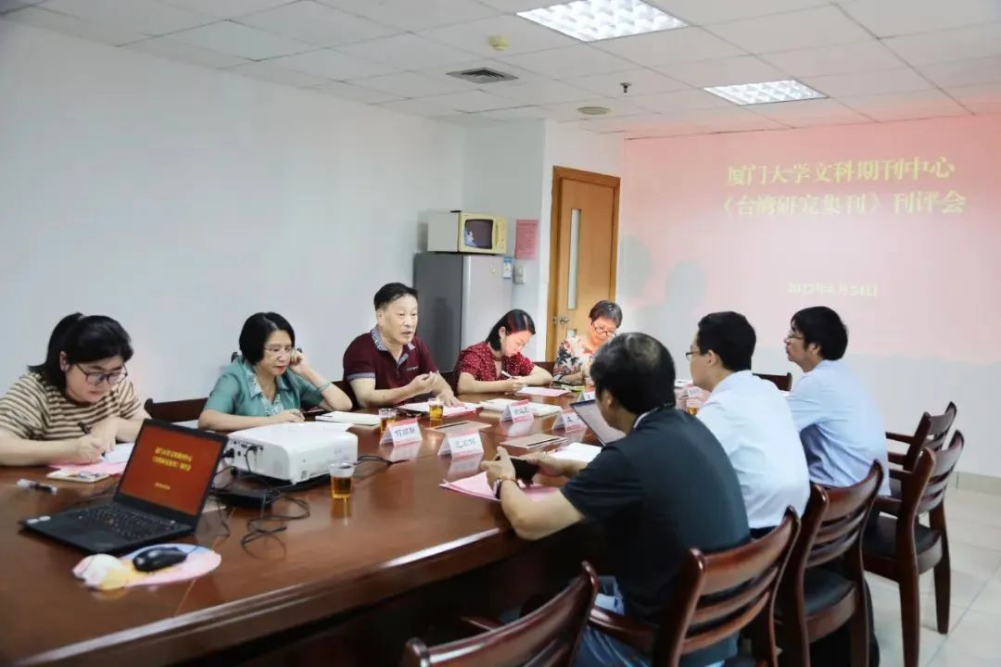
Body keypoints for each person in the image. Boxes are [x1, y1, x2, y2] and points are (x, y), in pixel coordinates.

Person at [482, 333, 749, 667]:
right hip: (715, 635)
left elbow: (528, 523)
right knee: (563, 587)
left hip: (660, 649)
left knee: (519, 627)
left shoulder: (629, 456)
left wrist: (505, 479)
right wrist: (570, 468)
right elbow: (644, 479)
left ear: (607, 398)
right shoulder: (689, 427)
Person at [688, 312, 809, 533]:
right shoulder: (769, 389)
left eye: (692, 353)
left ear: (710, 357)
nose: (691, 361)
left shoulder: (722, 406)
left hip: (753, 534)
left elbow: (686, 470)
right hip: (790, 526)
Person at [0, 313, 149, 466]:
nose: (105, 384)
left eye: (114, 373)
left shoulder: (117, 386)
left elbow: (152, 432)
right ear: (64, 361)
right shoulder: (35, 391)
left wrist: (117, 424)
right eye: (95, 373)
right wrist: (70, 450)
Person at [785, 306, 890, 496]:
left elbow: (776, 431)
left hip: (839, 498)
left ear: (814, 346)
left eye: (793, 334)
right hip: (865, 492)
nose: (786, 340)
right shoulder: (841, 374)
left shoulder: (817, 382)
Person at [199, 312, 351, 433]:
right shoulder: (235, 376)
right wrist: (272, 421)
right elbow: (207, 420)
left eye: (288, 349)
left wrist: (306, 370)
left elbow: (343, 405)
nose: (283, 357)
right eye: (275, 350)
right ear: (254, 348)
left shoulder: (289, 376)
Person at [343, 283, 461, 408]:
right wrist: (410, 390)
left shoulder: (416, 344)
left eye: (413, 314)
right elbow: (365, 399)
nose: (409, 323)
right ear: (380, 317)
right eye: (401, 315)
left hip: (407, 418)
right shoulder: (361, 348)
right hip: (373, 419)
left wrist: (446, 392)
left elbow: (438, 382)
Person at [455, 309, 553, 394]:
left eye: (524, 345)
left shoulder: (514, 357)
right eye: (518, 343)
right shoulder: (475, 354)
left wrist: (520, 380)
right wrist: (504, 385)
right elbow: (464, 386)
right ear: (502, 332)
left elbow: (546, 376)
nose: (519, 349)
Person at [552, 300, 622, 385]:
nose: (604, 334)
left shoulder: (617, 347)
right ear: (590, 321)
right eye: (600, 328)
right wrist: (582, 375)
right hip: (578, 393)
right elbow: (556, 380)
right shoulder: (570, 345)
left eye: (611, 331)